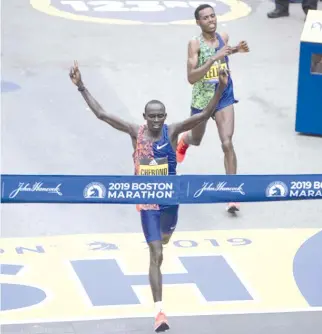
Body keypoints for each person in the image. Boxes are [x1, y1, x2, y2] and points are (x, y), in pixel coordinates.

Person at [69, 60, 228, 333]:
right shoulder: (135, 132)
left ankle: (163, 239)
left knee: (164, 241)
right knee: (156, 253)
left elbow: (204, 115)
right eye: (152, 116)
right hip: (147, 202)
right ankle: (159, 313)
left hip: (170, 201)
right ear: (144, 116)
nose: (156, 120)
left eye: (160, 116)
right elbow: (103, 115)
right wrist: (81, 86)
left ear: (165, 116)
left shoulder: (173, 130)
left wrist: (221, 89)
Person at [175, 4, 249, 214]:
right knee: (196, 139)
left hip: (224, 95)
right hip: (202, 99)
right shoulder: (194, 44)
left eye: (213, 16)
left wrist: (236, 50)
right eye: (206, 18)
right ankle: (184, 141)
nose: (211, 20)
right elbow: (191, 78)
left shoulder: (223, 36)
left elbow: (225, 53)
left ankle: (232, 194)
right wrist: (212, 59)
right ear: (198, 22)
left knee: (227, 142)